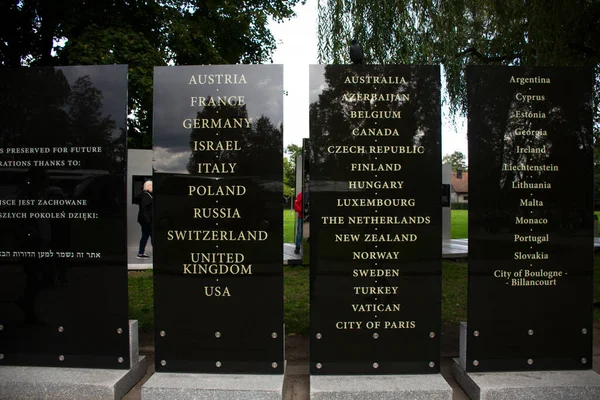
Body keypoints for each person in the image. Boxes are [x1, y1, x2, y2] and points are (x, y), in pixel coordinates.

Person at [137, 180, 153, 259]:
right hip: (147, 221)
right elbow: (144, 209)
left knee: (145, 236)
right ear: (148, 186)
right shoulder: (146, 196)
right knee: (152, 236)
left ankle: (140, 253)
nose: (153, 187)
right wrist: (148, 221)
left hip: (145, 220)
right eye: (151, 186)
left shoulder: (146, 195)